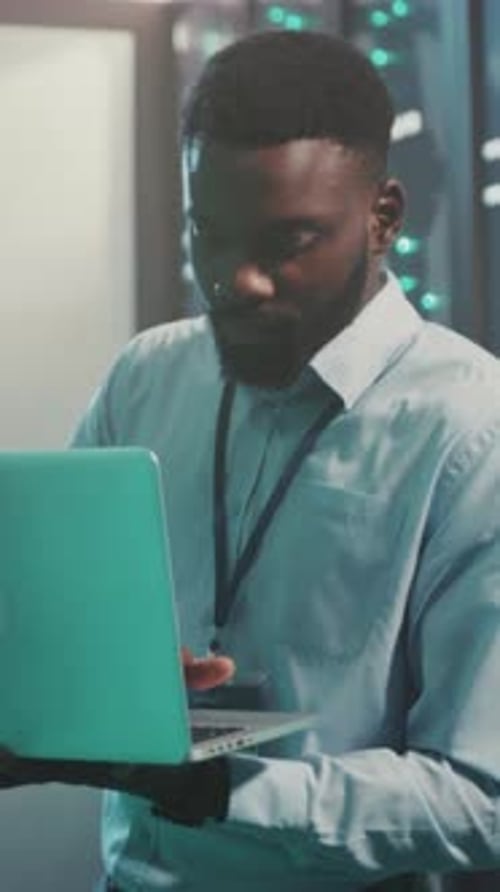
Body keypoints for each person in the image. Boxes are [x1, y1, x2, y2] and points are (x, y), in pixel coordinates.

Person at [2, 29, 500, 892]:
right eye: (211, 234)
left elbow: (484, 799)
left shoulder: (473, 432)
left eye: (288, 243)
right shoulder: (149, 373)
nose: (240, 281)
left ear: (383, 218)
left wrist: (223, 791)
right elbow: (50, 623)